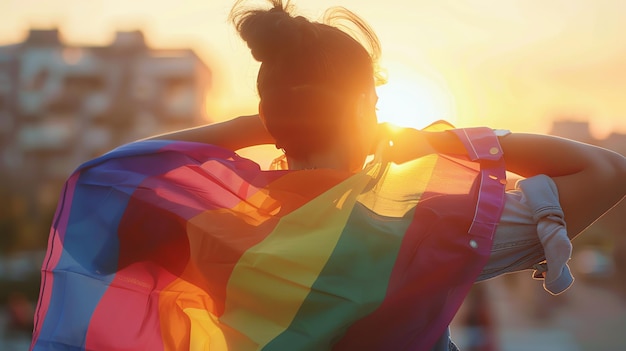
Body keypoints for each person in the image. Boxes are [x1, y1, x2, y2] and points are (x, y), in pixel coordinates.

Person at [30, 1, 626, 350]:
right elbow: (605, 169)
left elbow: (108, 174)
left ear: (271, 113)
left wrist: (247, 126)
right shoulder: (427, 226)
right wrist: (443, 141)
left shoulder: (217, 231)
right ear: (370, 106)